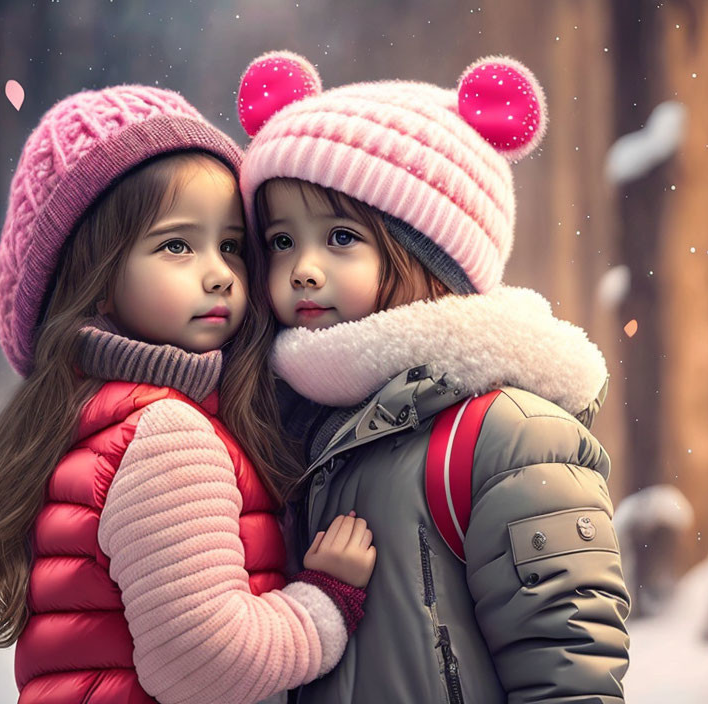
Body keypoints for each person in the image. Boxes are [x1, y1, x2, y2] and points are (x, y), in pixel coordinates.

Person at [0, 84, 375, 704]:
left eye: (229, 245)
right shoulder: (168, 435)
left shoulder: (96, 419)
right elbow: (203, 667)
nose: (221, 271)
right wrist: (328, 599)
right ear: (97, 281)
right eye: (176, 245)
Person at [238, 51, 631, 703]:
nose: (304, 268)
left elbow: (569, 664)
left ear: (433, 259)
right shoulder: (285, 422)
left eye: (341, 237)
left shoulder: (508, 437)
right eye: (282, 241)